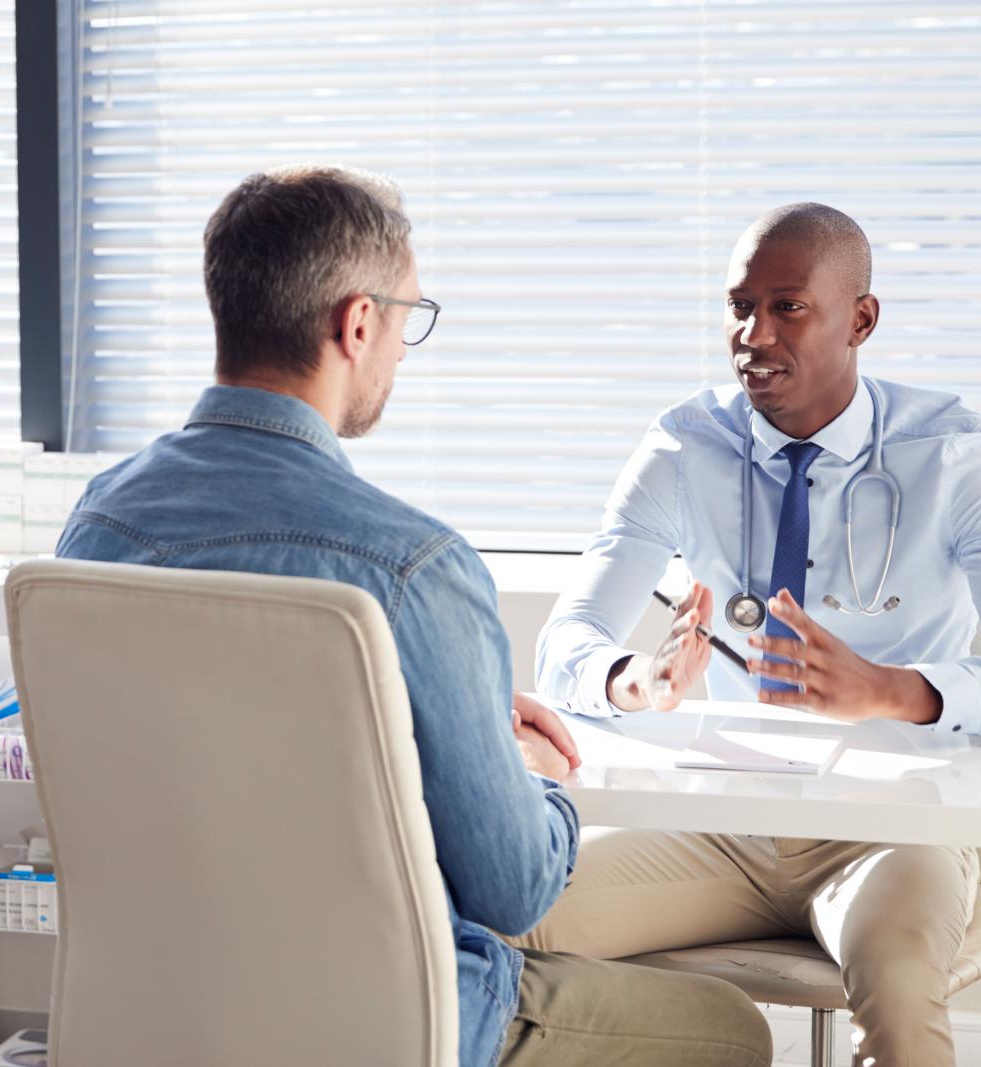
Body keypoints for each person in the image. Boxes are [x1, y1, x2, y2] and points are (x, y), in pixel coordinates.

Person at [56, 165, 772, 1067]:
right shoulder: (413, 568)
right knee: (732, 1030)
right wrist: (526, 765)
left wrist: (441, 711)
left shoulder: (97, 523)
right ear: (358, 322)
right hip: (393, 1024)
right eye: (409, 319)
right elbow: (515, 892)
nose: (401, 347)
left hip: (159, 1013)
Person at [531, 202, 981, 1065]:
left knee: (900, 1000)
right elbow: (564, 642)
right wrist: (628, 680)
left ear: (861, 319)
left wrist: (894, 689)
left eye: (787, 306)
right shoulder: (685, 445)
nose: (753, 333)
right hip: (722, 824)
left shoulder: (953, 453)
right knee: (499, 922)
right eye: (738, 306)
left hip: (894, 824)